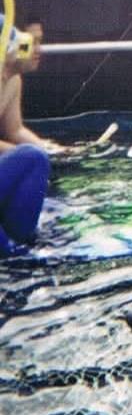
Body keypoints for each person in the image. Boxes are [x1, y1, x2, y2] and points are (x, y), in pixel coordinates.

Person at [0, 23, 50, 256]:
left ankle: (20, 242)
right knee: (32, 158)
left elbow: (15, 128)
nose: (33, 50)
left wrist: (50, 148)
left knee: (36, 158)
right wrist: (19, 153)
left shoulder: (12, 79)